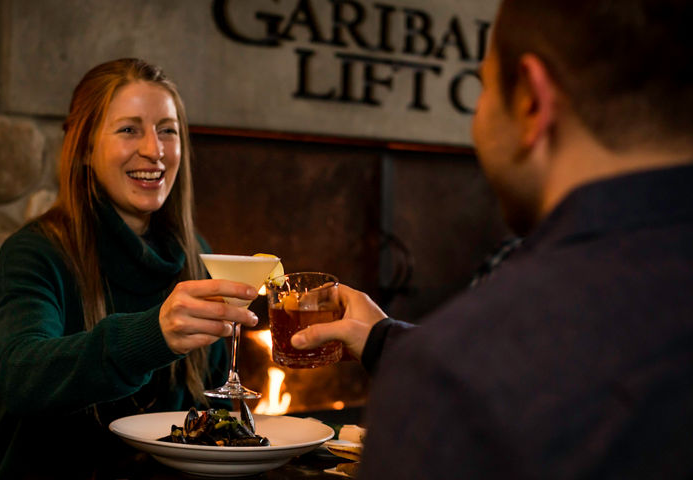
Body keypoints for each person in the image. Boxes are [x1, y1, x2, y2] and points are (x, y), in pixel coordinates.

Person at [292, 0, 693, 478]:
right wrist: (384, 340)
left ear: (530, 98)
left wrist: (424, 367)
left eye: (482, 86)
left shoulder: (459, 371)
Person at [0, 58, 259, 479]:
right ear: (85, 149)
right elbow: (21, 375)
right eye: (129, 129)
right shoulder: (34, 253)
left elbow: (212, 411)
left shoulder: (196, 254)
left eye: (167, 130)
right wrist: (152, 336)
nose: (155, 149)